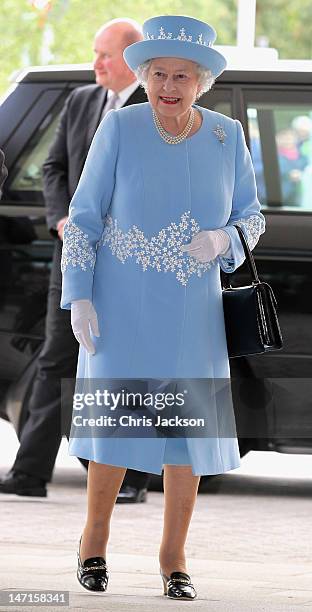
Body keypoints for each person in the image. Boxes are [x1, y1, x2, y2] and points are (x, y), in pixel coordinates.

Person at [60, 15, 265, 600]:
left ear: (202, 81)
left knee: (185, 433)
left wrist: (225, 240)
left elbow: (252, 215)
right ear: (143, 76)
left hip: (191, 311)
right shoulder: (120, 128)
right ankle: (93, 541)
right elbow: (86, 216)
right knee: (118, 424)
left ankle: (174, 558)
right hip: (120, 305)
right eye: (157, 74)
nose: (168, 86)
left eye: (181, 76)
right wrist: (78, 295)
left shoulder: (227, 136)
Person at [0, 18, 151, 502]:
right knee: (56, 359)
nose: (96, 63)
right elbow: (53, 167)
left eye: (105, 55)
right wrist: (61, 219)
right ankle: (28, 473)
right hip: (73, 257)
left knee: (123, 365)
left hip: (127, 263)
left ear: (130, 59)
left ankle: (130, 478)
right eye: (95, 52)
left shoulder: (157, 110)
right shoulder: (82, 100)